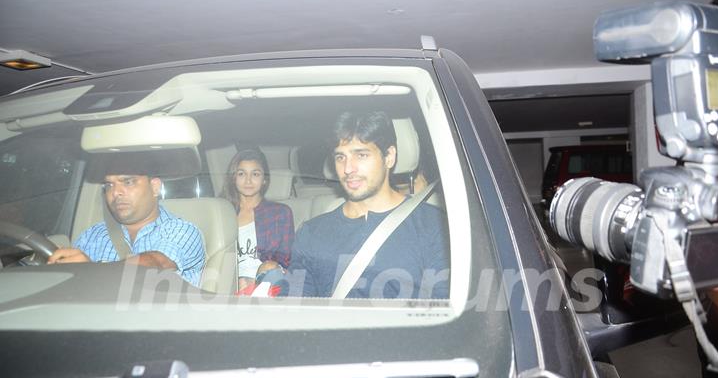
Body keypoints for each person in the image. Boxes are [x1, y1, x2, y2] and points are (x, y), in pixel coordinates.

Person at [258, 111, 449, 299]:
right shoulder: (312, 233)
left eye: (361, 155)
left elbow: (444, 313)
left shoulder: (433, 226)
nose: (348, 169)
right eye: (341, 157)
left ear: (389, 156)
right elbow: (296, 311)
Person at [48, 171, 206, 287]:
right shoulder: (91, 236)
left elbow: (157, 263)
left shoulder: (182, 231)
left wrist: (92, 271)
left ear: (155, 187)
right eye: (109, 185)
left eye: (128, 182)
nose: (115, 192)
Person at [221, 146, 294, 295]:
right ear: (233, 178)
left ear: (264, 180)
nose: (248, 180)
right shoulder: (222, 212)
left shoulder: (279, 213)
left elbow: (286, 260)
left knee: (270, 268)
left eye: (255, 174)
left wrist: (253, 281)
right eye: (241, 174)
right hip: (228, 284)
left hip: (266, 282)